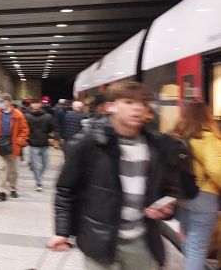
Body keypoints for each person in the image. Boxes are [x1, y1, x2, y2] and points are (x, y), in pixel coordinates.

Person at [48, 81, 179, 270]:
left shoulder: (156, 145)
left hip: (141, 240)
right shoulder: (89, 143)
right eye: (128, 102)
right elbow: (65, 189)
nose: (137, 108)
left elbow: (165, 188)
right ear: (110, 107)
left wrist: (166, 207)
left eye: (142, 103)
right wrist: (62, 232)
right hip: (99, 239)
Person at [172, 101, 221, 270]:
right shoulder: (208, 139)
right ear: (206, 117)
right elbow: (216, 170)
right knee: (197, 246)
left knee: (189, 240)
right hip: (204, 196)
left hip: (183, 196)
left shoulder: (178, 137)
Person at [0, 93, 29, 201]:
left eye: (1, 101)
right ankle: (1, 190)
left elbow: (25, 130)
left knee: (14, 170)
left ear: (8, 102)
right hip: (0, 145)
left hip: (13, 145)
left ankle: (13, 188)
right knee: (2, 168)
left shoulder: (18, 115)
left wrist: (19, 142)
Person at [24, 101, 54, 191]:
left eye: (37, 103)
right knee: (36, 165)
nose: (36, 105)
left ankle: (38, 176)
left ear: (41, 105)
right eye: (34, 103)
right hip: (33, 144)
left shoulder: (48, 116)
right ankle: (39, 182)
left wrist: (51, 137)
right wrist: (26, 139)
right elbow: (24, 129)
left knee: (45, 164)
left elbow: (52, 127)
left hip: (45, 144)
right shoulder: (27, 116)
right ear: (31, 105)